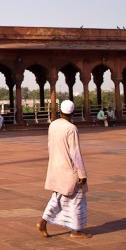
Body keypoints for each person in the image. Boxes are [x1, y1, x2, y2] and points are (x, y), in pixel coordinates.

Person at [37, 100, 91, 239]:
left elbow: (50, 146)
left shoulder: (53, 125)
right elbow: (75, 153)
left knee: (58, 197)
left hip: (56, 165)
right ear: (73, 113)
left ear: (60, 111)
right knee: (77, 199)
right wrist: (82, 173)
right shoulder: (71, 128)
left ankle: (43, 223)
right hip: (69, 169)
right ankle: (76, 230)